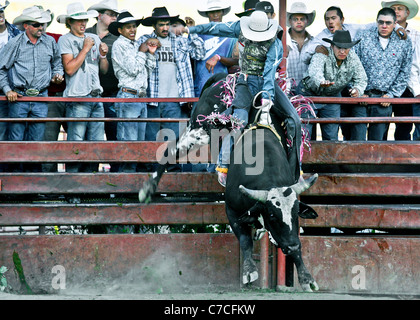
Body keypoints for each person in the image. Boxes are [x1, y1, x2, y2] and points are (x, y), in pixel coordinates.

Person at [184, 9, 294, 186]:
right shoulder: (240, 29)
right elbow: (216, 28)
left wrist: (266, 100)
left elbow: (268, 72)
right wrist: (192, 30)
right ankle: (223, 164)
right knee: (238, 121)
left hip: (267, 84)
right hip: (245, 81)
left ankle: (295, 170)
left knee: (293, 120)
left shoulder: (274, 43)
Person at [138, 7, 205, 172]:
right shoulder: (145, 39)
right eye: (161, 24)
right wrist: (147, 48)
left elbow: (200, 53)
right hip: (151, 98)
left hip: (174, 100)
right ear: (154, 26)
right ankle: (152, 176)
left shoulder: (179, 40)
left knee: (173, 139)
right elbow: (137, 61)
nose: (165, 28)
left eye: (167, 24)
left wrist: (192, 31)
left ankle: (173, 177)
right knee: (152, 139)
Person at [0, 6, 64, 172]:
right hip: (19, 96)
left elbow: (57, 63)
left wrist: (57, 74)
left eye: (42, 24)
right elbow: (1, 68)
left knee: (36, 141)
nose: (41, 27)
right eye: (36, 24)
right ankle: (15, 182)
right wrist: (7, 90)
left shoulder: (50, 42)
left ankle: (32, 183)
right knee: (16, 140)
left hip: (40, 97)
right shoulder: (15, 43)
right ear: (26, 25)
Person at [57, 2, 109, 173]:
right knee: (76, 142)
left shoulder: (94, 38)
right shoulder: (65, 40)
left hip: (96, 96)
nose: (83, 24)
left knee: (96, 143)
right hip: (77, 97)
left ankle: (91, 185)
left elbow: (104, 70)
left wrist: (103, 56)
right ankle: (73, 185)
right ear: (69, 22)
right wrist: (86, 49)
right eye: (78, 21)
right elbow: (69, 69)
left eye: (85, 20)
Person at [353, 7, 413, 141]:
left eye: (388, 23)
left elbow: (405, 71)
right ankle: (355, 163)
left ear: (395, 23)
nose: (384, 26)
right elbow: (352, 65)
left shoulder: (404, 41)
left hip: (384, 99)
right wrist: (357, 90)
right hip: (362, 97)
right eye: (381, 22)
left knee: (377, 142)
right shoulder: (363, 36)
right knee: (357, 140)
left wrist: (392, 94)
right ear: (376, 22)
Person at [297, 30, 367, 141]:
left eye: (346, 48)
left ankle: (328, 158)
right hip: (309, 94)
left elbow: (361, 78)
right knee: (305, 134)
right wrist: (321, 81)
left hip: (332, 97)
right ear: (332, 46)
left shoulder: (353, 58)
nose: (342, 51)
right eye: (339, 47)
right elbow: (315, 71)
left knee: (331, 135)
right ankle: (304, 158)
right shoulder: (322, 54)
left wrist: (357, 90)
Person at [110, 11, 158, 172]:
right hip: (128, 95)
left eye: (134, 26)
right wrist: (142, 52)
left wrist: (150, 54)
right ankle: (124, 183)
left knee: (138, 143)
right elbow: (133, 69)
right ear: (120, 30)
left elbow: (148, 70)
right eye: (128, 27)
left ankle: (131, 184)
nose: (132, 30)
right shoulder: (119, 45)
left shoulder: (135, 44)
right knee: (128, 142)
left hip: (139, 96)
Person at [87, 0, 120, 169]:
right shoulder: (85, 33)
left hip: (112, 92)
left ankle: (115, 179)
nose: (115, 17)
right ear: (99, 15)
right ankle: (89, 177)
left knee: (114, 135)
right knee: (90, 138)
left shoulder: (118, 38)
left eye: (116, 15)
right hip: (87, 94)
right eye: (111, 14)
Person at [382, 0, 419, 140]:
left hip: (408, 87)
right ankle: (381, 159)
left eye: (400, 8)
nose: (396, 11)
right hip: (385, 86)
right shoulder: (383, 32)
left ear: (407, 13)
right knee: (381, 125)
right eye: (393, 8)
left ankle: (402, 160)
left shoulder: (416, 35)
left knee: (404, 126)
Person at [190, 0, 239, 97]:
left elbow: (236, 61)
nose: (215, 15)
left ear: (222, 12)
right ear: (207, 14)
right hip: (200, 86)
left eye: (218, 11)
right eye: (212, 12)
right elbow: (190, 62)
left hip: (223, 86)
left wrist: (219, 58)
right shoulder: (198, 34)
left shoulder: (231, 36)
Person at [0, 0, 21, 172]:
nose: (0, 15)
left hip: (15, 89)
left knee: (15, 133)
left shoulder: (16, 32)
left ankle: (12, 176)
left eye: (1, 11)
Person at [285, 2, 316, 92]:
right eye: (295, 19)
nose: (299, 22)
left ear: (307, 21)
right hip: (287, 90)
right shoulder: (282, 42)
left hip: (308, 91)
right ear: (290, 21)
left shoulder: (313, 42)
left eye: (302, 19)